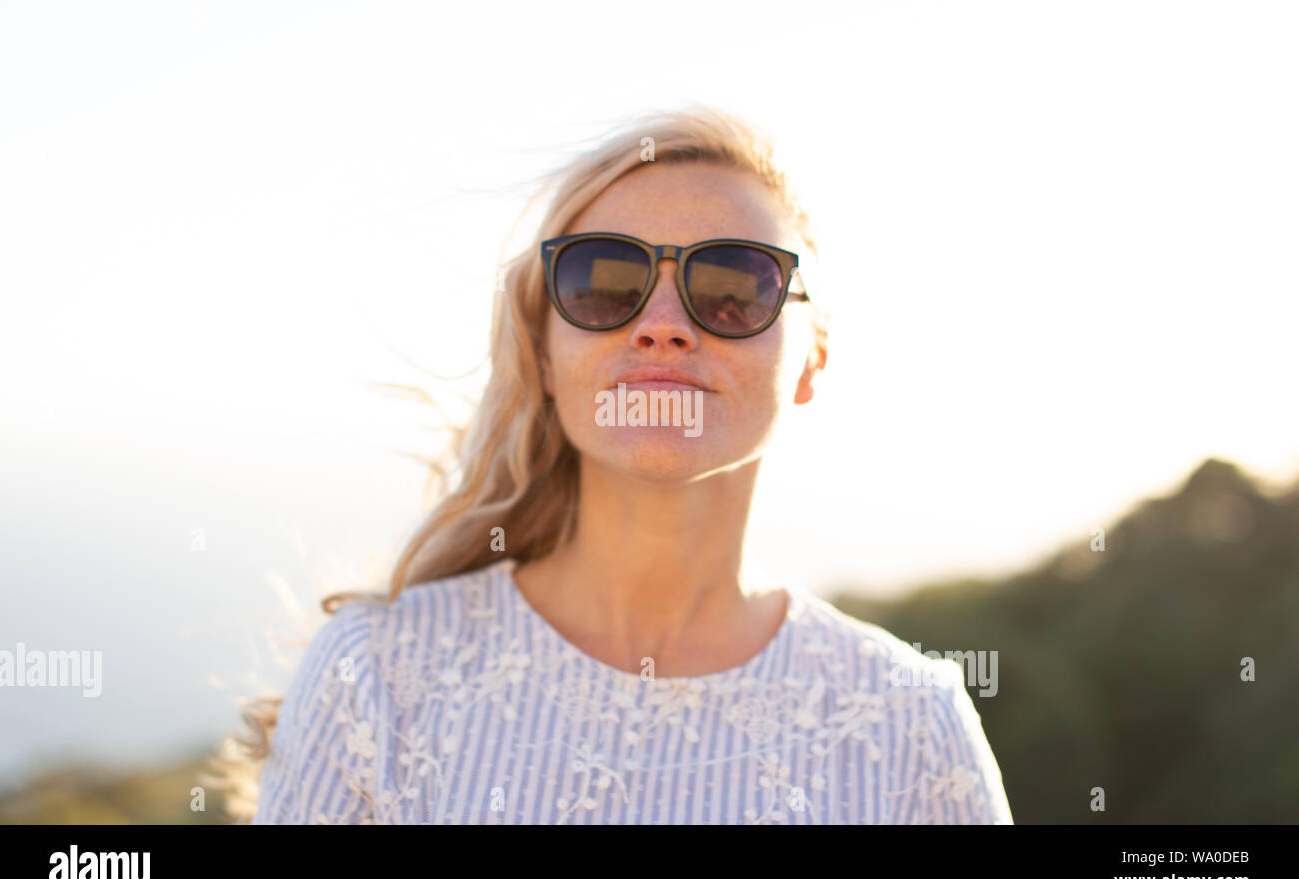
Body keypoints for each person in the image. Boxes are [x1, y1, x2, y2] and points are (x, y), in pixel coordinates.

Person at [243, 108, 1013, 825]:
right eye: (604, 280)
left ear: (811, 356)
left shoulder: (913, 722)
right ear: (543, 351)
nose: (663, 327)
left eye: (736, 286)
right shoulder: (376, 676)